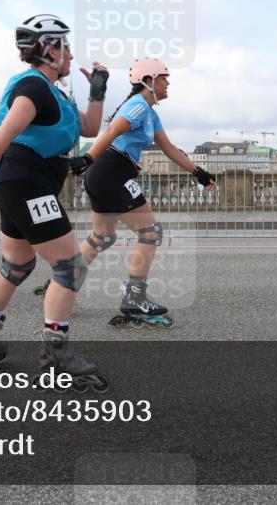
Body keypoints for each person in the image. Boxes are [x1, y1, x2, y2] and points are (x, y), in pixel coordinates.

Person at [0, 13, 110, 391]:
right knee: (70, 268)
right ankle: (55, 356)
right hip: (27, 183)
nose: (71, 54)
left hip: (20, 183)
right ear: (50, 49)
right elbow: (9, 126)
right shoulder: (34, 87)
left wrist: (99, 91)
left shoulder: (55, 92)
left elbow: (88, 129)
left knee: (17, 263)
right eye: (66, 46)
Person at [66, 56, 216, 329]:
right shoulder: (137, 105)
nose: (168, 83)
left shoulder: (150, 111)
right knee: (151, 233)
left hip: (107, 172)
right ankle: (135, 297)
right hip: (112, 170)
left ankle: (65, 282)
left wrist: (199, 172)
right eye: (164, 78)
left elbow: (169, 149)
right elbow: (112, 130)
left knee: (101, 237)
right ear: (149, 81)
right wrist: (87, 159)